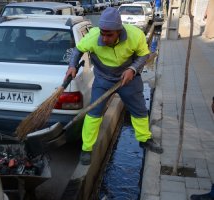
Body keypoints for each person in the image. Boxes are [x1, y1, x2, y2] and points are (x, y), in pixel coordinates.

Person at [65, 7, 163, 165]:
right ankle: (87, 148)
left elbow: (143, 54)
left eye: (109, 35)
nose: (104, 38)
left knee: (139, 109)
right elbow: (78, 50)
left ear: (119, 31)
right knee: (94, 113)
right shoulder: (93, 37)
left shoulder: (135, 35)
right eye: (103, 34)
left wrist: (132, 69)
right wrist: (72, 66)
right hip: (103, 79)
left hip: (128, 79)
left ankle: (144, 138)